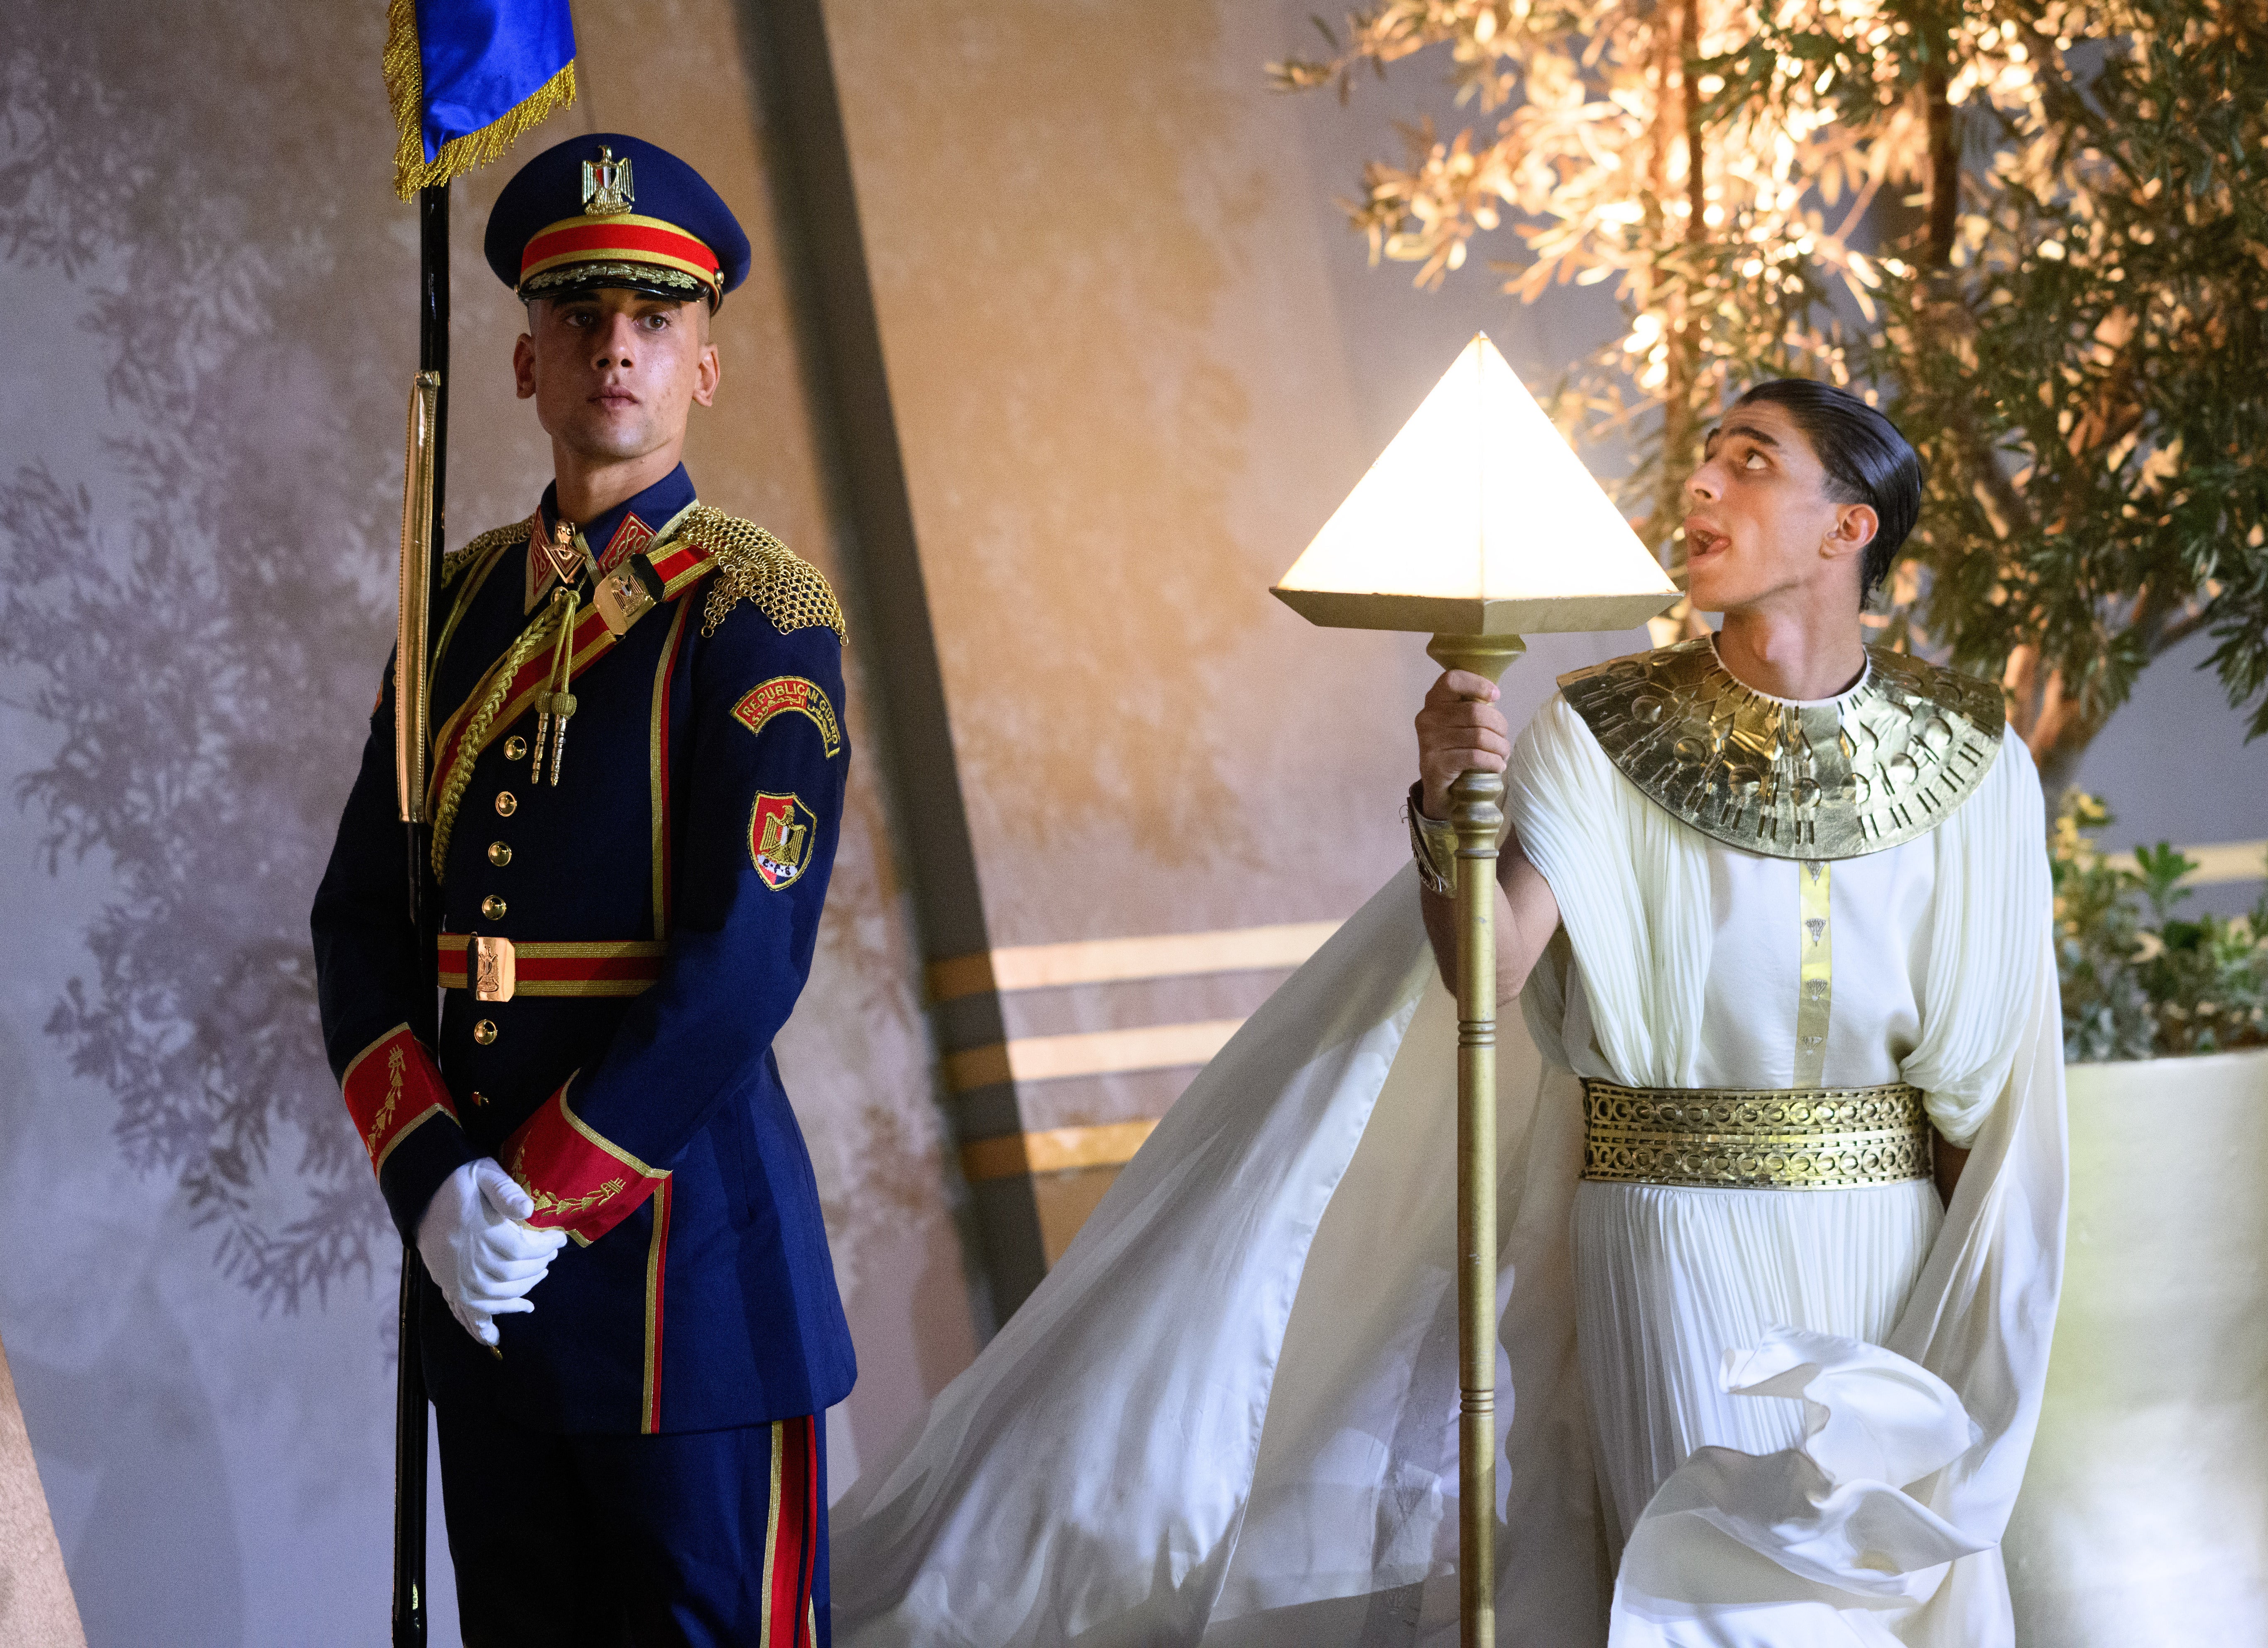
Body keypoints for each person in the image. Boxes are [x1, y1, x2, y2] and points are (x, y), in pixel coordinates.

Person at [826, 377, 2064, 1646]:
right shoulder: (1602, 730)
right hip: (1667, 1232)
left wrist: (1973, 1324)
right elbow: (1492, 969)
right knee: (1708, 1601)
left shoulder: (1974, 759)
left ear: (1850, 527)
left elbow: (1985, 1095)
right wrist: (1443, 805)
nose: (1699, 482)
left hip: (1889, 1247)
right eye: (1705, 455)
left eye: (1750, 460)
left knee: (1878, 1605)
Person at [312, 132, 855, 1645]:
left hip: (687, 1286)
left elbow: (746, 963)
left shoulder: (758, 612)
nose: (616, 345)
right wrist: (432, 1183)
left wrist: (541, 1196)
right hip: (485, 1291)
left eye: (655, 319)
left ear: (706, 368)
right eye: (579, 314)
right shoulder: (453, 610)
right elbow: (360, 925)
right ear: (522, 359)